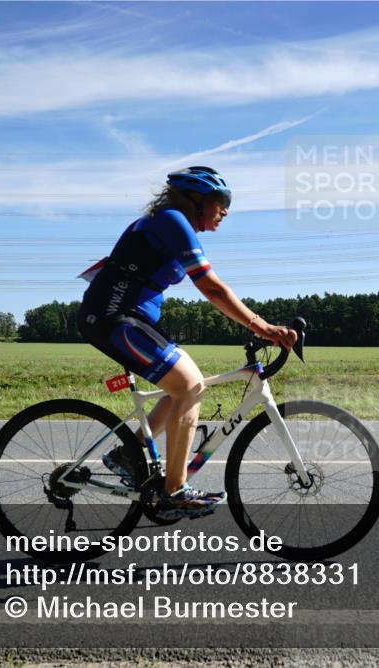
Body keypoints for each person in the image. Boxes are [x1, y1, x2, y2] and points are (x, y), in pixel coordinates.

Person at [77, 166, 297, 519]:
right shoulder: (172, 221)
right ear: (197, 199)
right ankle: (173, 490)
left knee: (183, 383)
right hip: (113, 319)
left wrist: (258, 326)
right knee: (189, 386)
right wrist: (262, 327)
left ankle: (127, 454)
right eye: (220, 202)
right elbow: (211, 287)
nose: (225, 211)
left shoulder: (168, 223)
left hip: (128, 318)